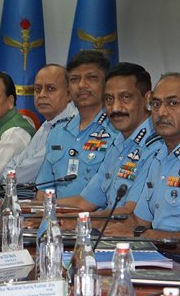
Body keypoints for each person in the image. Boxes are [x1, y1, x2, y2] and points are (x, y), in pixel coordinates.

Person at [106, 73, 180, 261]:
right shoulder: (159, 156)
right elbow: (139, 220)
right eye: (156, 104)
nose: (161, 112)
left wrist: (144, 236)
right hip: (157, 257)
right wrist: (95, 229)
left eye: (173, 103)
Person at [59, 63, 160, 213]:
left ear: (147, 99)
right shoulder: (117, 143)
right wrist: (37, 209)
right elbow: (85, 202)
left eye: (125, 97)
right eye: (109, 99)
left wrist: (72, 222)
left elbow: (128, 213)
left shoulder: (156, 146)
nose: (116, 108)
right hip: (105, 229)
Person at [35, 50, 117, 198]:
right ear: (68, 88)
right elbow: (43, 191)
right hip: (56, 217)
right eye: (74, 79)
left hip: (97, 219)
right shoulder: (58, 131)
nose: (82, 85)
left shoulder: (117, 131)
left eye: (91, 78)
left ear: (107, 84)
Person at [2, 64, 76, 184]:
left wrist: (8, 178)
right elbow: (15, 162)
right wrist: (8, 177)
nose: (41, 95)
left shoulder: (71, 126)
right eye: (37, 89)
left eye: (50, 89)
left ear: (69, 94)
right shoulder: (47, 124)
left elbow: (31, 171)